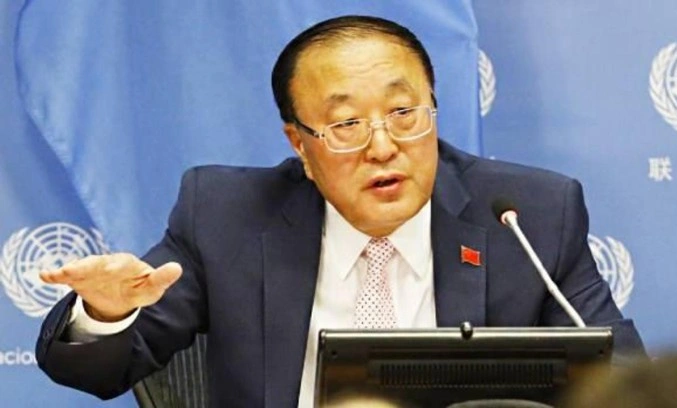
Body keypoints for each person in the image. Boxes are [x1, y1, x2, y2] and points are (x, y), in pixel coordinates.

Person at [36, 15, 645, 407]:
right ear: (300, 144)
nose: (383, 146)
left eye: (403, 114)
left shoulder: (527, 216)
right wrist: (105, 313)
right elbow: (99, 371)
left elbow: (624, 382)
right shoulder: (226, 216)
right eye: (347, 124)